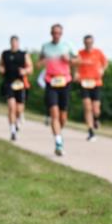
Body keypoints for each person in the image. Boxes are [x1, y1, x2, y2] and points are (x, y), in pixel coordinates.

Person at [39, 24, 75, 156]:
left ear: (62, 34)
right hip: (51, 82)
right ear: (51, 33)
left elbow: (78, 61)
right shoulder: (45, 47)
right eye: (54, 33)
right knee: (54, 113)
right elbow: (39, 63)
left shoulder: (68, 46)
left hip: (65, 82)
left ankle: (59, 131)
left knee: (63, 117)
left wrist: (69, 59)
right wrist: (44, 62)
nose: (56, 35)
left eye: (58, 33)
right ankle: (58, 143)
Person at [0, 36, 33, 141]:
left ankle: (17, 121)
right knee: (11, 107)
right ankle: (13, 130)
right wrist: (1, 70)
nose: (14, 44)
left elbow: (30, 68)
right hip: (9, 83)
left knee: (19, 109)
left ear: (18, 43)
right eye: (12, 42)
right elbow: (0, 65)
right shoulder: (5, 54)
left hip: (20, 84)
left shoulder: (23, 54)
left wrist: (25, 71)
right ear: (10, 43)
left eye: (16, 42)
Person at [75, 34, 108, 142]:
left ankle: (96, 119)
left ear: (92, 42)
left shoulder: (98, 53)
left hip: (96, 83)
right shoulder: (80, 53)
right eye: (86, 42)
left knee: (96, 109)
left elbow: (105, 63)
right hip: (84, 83)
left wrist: (102, 70)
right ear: (84, 43)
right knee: (87, 107)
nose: (88, 44)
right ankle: (90, 131)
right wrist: (75, 74)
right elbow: (75, 65)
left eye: (90, 42)